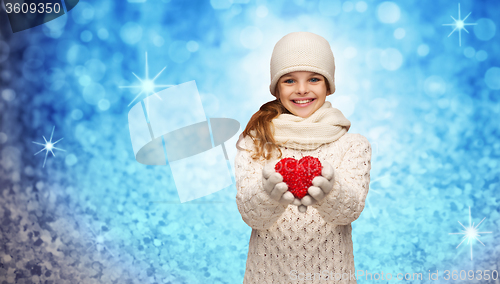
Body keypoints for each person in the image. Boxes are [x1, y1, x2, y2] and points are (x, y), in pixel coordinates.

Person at [234, 31, 372, 283]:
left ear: (328, 85)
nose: (301, 90)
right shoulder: (256, 141)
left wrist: (330, 190)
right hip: (267, 277)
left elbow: (349, 212)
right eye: (289, 80)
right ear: (276, 87)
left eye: (313, 79)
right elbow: (251, 215)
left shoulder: (353, 145)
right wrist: (268, 192)